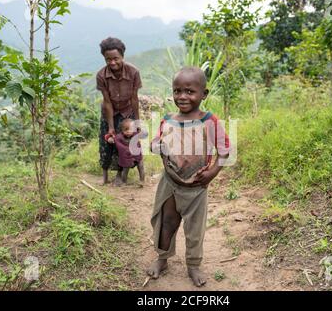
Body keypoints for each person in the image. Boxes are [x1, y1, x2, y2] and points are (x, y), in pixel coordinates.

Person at [147, 67, 231, 287]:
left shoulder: (210, 121)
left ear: (204, 93)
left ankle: (193, 265)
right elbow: (157, 143)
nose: (182, 96)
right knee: (167, 222)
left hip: (196, 188)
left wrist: (212, 172)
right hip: (170, 184)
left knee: (194, 230)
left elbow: (224, 151)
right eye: (177, 91)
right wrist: (156, 145)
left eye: (189, 91)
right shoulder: (167, 120)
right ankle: (162, 258)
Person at [96, 37, 142, 186]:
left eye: (116, 58)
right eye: (108, 59)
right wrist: (110, 125)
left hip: (127, 112)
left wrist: (137, 121)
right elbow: (107, 102)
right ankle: (105, 176)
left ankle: (120, 175)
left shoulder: (133, 72)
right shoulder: (101, 75)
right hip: (109, 112)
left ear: (122, 56)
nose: (112, 62)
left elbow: (134, 99)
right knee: (107, 143)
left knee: (124, 144)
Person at [107, 118, 146, 185]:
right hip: (126, 157)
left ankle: (142, 181)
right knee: (125, 169)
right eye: (125, 130)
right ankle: (124, 181)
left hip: (137, 156)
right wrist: (109, 139)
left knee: (141, 167)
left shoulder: (135, 134)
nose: (128, 131)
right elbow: (112, 138)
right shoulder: (119, 137)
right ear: (122, 130)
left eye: (130, 129)